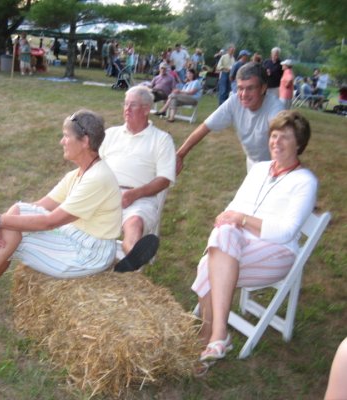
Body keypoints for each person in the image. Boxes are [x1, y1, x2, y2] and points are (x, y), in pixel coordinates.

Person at [0, 109, 122, 311]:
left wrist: (0, 222)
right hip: (76, 237)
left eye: (66, 136)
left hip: (90, 253)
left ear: (85, 141)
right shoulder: (78, 174)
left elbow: (50, 222)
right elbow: (37, 207)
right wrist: (1, 223)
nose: (61, 142)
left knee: (12, 237)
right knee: (16, 218)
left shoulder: (97, 178)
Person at [191, 110, 317, 371]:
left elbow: (286, 232)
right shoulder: (259, 169)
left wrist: (242, 219)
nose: (276, 142)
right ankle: (216, 338)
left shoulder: (305, 181)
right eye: (274, 135)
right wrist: (227, 217)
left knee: (211, 261)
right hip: (238, 246)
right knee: (222, 239)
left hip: (278, 253)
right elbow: (235, 206)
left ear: (299, 144)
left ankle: (212, 334)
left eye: (285, 137)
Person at [99, 86, 176, 272]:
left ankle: (132, 256)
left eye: (132, 105)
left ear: (146, 109)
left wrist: (135, 194)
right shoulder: (111, 134)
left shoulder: (161, 139)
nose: (126, 109)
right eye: (125, 104)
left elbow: (164, 179)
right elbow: (94, 165)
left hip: (140, 197)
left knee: (134, 223)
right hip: (105, 193)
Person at [176, 62, 284, 174]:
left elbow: (283, 141)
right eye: (240, 88)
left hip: (277, 165)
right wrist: (180, 155)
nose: (244, 94)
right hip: (253, 164)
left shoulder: (276, 109)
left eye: (250, 88)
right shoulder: (234, 101)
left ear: (263, 88)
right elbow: (205, 127)